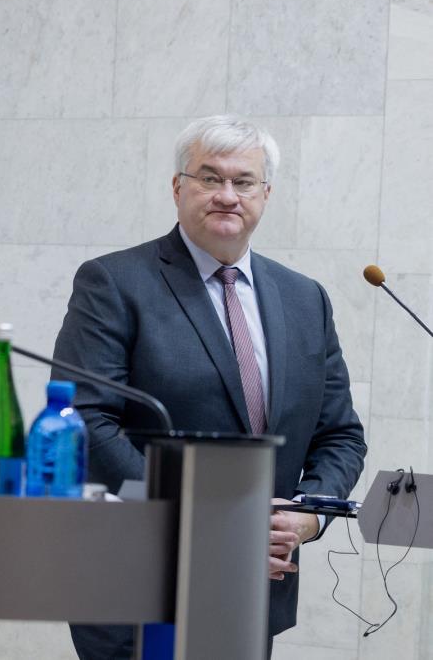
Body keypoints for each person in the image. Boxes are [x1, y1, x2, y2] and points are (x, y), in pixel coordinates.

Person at [53, 114, 366, 659]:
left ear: (265, 194)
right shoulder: (114, 283)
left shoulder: (305, 299)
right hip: (138, 583)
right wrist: (210, 525)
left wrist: (308, 517)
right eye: (209, 177)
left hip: (254, 591)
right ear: (178, 188)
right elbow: (87, 422)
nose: (227, 195)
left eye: (244, 181)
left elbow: (340, 435)